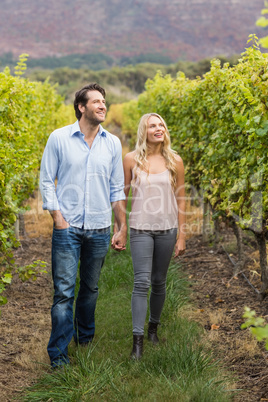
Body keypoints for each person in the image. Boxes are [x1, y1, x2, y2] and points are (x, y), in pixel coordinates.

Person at [39, 83, 127, 368]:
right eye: (97, 102)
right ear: (81, 106)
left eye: (104, 101)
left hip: (100, 228)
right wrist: (58, 219)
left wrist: (121, 225)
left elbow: (116, 187)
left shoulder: (112, 142)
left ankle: (85, 340)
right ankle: (59, 355)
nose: (103, 106)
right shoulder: (59, 138)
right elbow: (46, 180)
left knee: (90, 288)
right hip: (68, 227)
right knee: (64, 292)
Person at [123, 112, 186, 359]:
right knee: (141, 282)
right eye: (152, 125)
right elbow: (123, 196)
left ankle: (153, 328)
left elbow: (181, 200)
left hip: (167, 229)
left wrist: (182, 236)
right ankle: (137, 342)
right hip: (140, 227)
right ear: (144, 131)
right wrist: (121, 227)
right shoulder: (130, 160)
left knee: (159, 281)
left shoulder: (175, 161)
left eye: (161, 125)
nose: (158, 129)